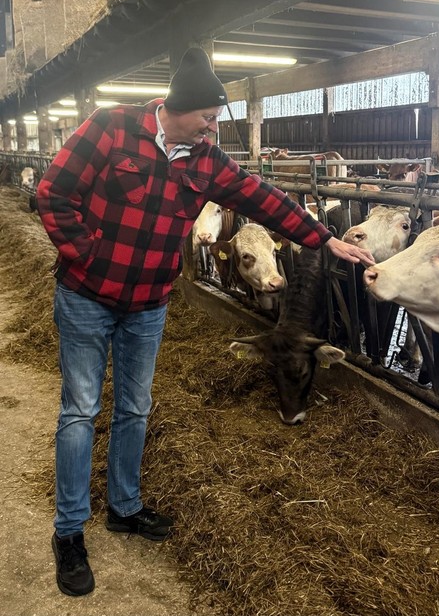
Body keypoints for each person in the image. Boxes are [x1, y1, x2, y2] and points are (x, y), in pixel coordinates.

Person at [36, 47, 374, 597]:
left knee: (136, 406)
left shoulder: (205, 157)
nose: (214, 126)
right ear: (178, 106)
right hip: (86, 296)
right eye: (209, 117)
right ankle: (69, 532)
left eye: (217, 118)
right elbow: (52, 193)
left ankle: (124, 507)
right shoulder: (110, 128)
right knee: (80, 409)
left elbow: (260, 197)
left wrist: (320, 236)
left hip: (148, 304)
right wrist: (86, 253)